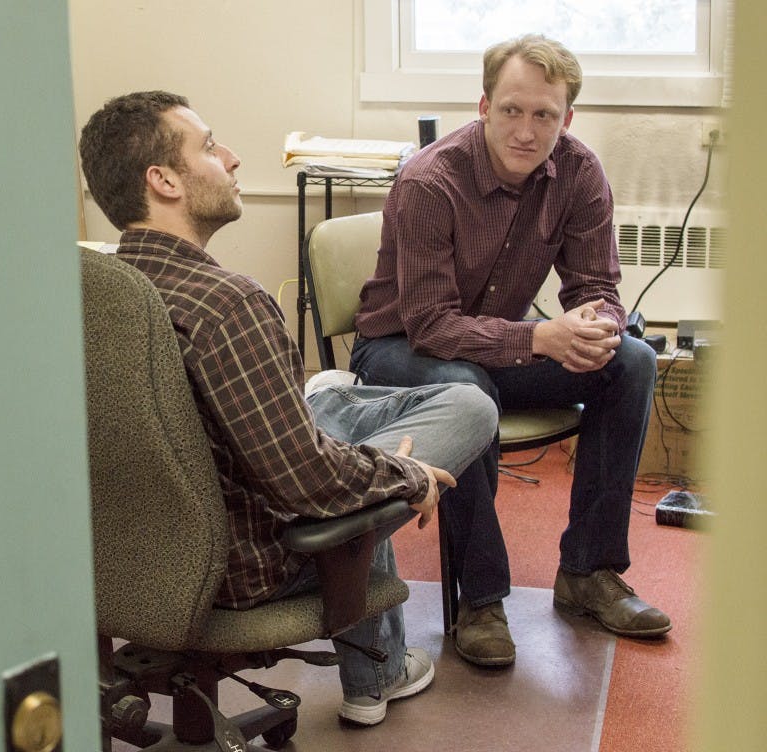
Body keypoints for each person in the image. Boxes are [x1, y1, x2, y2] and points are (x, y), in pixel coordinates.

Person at [79, 91, 498, 726]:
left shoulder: (99, 291)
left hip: (134, 557)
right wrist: (402, 476)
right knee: (469, 406)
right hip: (248, 564)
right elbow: (310, 484)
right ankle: (378, 669)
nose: (234, 158)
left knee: (326, 393)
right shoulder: (227, 306)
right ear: (163, 180)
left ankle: (377, 669)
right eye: (211, 146)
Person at [350, 33, 671, 668]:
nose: (526, 131)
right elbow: (432, 325)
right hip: (397, 349)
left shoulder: (579, 172)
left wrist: (598, 326)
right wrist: (537, 337)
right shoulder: (429, 181)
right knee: (469, 388)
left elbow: (596, 286)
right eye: (512, 111)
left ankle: (589, 572)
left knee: (630, 361)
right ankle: (481, 599)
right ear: (484, 106)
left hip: (493, 346)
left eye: (544, 115)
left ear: (567, 118)